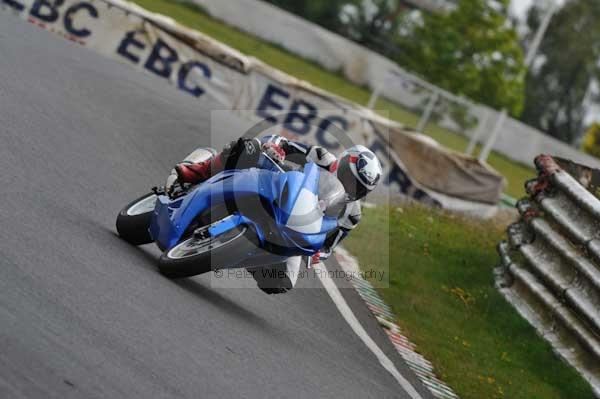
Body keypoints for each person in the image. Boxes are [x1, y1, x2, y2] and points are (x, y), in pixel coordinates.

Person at [166, 135, 382, 293]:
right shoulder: (320, 156)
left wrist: (315, 253)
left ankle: (240, 254)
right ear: (342, 163)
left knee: (279, 282)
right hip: (271, 186)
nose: (350, 186)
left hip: (293, 228)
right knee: (249, 148)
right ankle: (200, 170)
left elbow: (328, 246)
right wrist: (275, 148)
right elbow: (281, 142)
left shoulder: (351, 214)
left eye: (358, 188)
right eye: (350, 178)